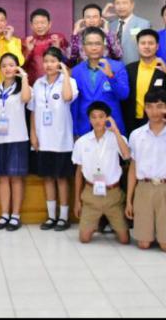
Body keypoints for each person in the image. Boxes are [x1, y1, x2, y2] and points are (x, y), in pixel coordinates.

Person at [125, 89, 166, 252]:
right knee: (143, 244)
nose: (154, 111)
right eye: (150, 106)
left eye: (159, 106)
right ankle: (154, 232)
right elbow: (133, 168)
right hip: (144, 187)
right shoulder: (136, 134)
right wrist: (129, 199)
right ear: (145, 108)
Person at [28, 47, 78, 231]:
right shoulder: (38, 83)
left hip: (62, 139)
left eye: (53, 61)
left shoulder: (69, 82)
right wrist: (33, 134)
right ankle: (51, 216)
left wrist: (65, 73)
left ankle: (63, 217)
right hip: (43, 139)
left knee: (62, 178)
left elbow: (67, 97)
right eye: (46, 61)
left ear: (60, 62)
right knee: (47, 178)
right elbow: (33, 111)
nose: (49, 65)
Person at [72, 101, 132, 244]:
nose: (97, 120)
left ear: (107, 118)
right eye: (93, 117)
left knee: (124, 239)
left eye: (101, 116)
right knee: (84, 238)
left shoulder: (117, 138)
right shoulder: (82, 142)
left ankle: (110, 223)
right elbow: (79, 172)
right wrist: (77, 200)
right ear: (89, 119)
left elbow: (127, 155)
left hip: (113, 193)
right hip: (91, 193)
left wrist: (116, 130)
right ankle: (96, 223)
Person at [0, 54, 33, 232]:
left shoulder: (23, 87)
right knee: (2, 178)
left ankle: (15, 215)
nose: (8, 68)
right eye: (4, 65)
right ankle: (4, 214)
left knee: (16, 178)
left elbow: (26, 99)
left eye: (11, 65)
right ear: (0, 69)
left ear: (17, 68)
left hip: (17, 137)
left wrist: (24, 77)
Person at [70, 27, 131, 136]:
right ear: (83, 47)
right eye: (89, 44)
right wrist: (75, 129)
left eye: (98, 44)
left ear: (104, 46)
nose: (94, 48)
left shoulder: (117, 66)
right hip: (85, 126)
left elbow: (124, 95)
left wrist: (111, 77)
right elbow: (75, 104)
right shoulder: (76, 71)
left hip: (111, 125)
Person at [124, 29, 166, 134]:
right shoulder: (129, 69)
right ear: (137, 46)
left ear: (157, 46)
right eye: (143, 43)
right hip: (131, 122)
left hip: (157, 122)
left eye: (150, 43)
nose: (146, 46)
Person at [104, 0, 152, 66]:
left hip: (134, 68)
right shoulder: (110, 25)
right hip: (112, 69)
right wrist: (103, 17)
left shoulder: (144, 24)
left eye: (124, 3)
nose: (121, 7)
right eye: (117, 3)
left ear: (132, 4)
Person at [22, 8, 68, 85]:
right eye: (36, 23)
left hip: (57, 85)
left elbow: (69, 63)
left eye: (43, 23)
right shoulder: (25, 42)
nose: (39, 26)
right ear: (31, 25)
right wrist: (28, 50)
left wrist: (58, 49)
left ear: (49, 24)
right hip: (33, 85)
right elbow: (21, 66)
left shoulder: (59, 38)